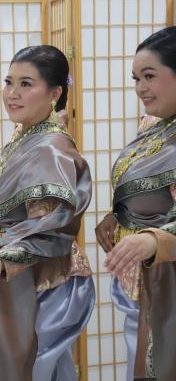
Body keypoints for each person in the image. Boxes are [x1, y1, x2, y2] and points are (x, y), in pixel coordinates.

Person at [0, 45, 95, 381]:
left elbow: (50, 225)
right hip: (16, 272)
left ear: (54, 93)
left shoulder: (51, 148)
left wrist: (4, 260)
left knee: (31, 367)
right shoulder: (26, 135)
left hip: (43, 278)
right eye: (9, 82)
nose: (12, 93)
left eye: (26, 84)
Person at [96, 26, 176, 381]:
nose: (140, 88)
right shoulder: (155, 126)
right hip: (142, 279)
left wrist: (155, 240)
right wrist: (118, 215)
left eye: (149, 76)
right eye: (136, 78)